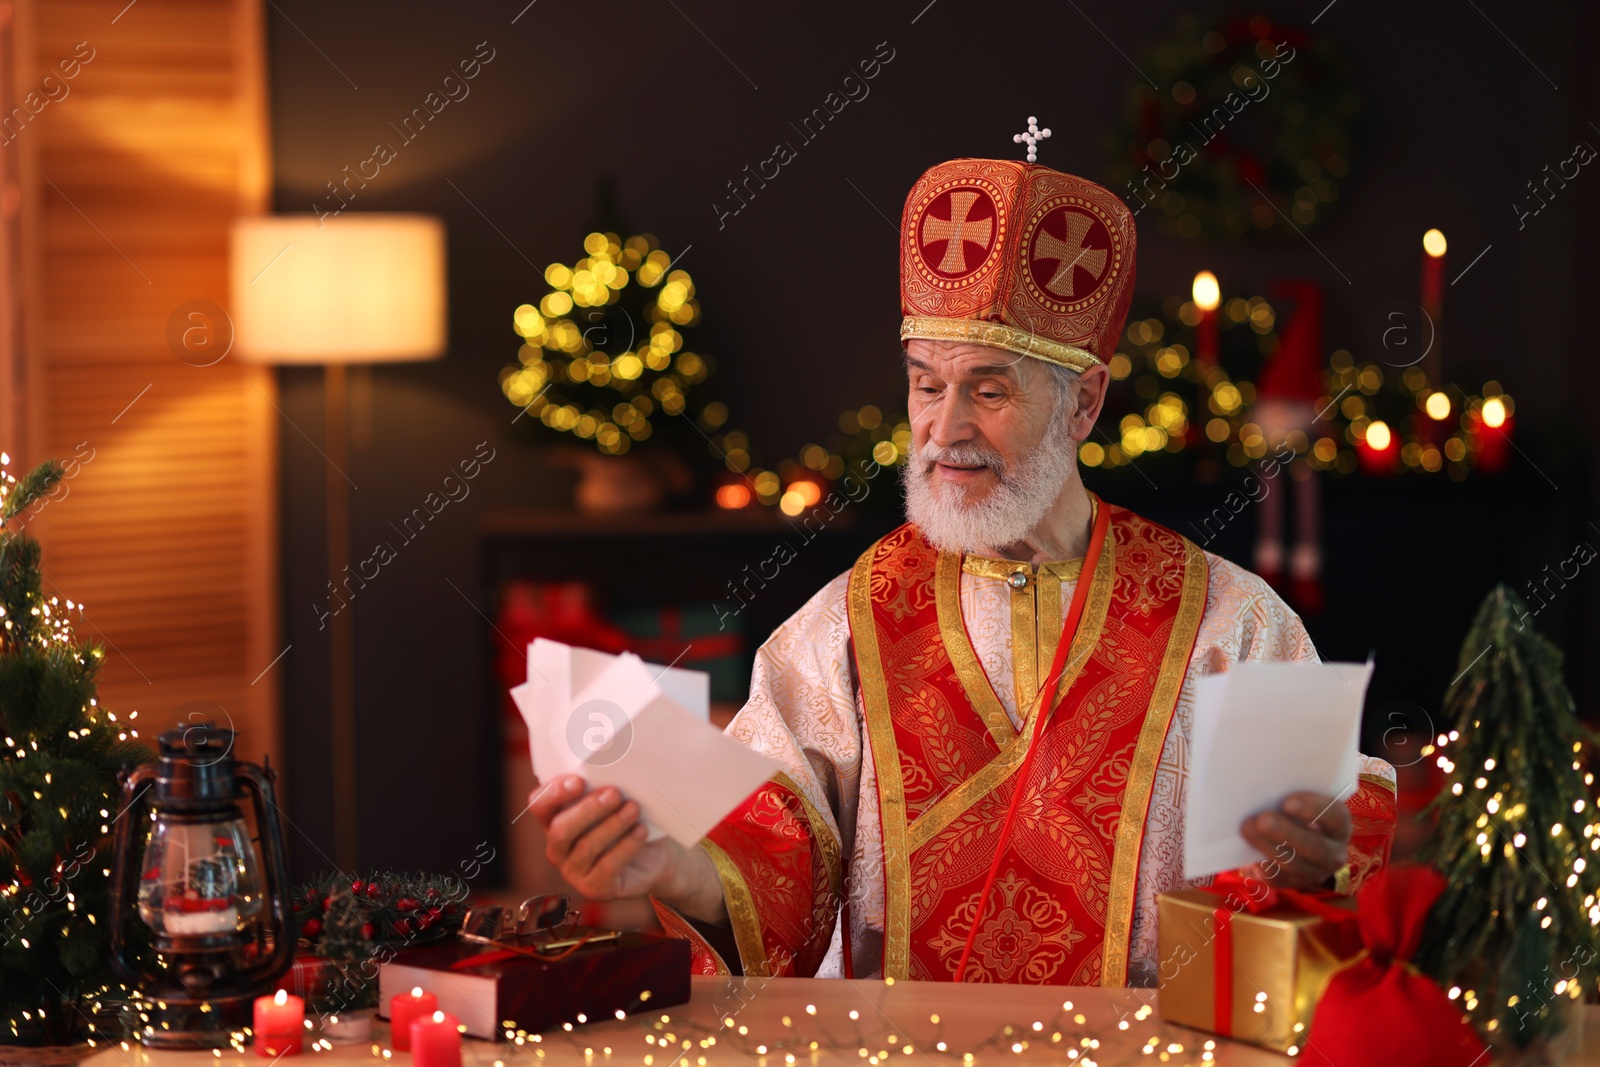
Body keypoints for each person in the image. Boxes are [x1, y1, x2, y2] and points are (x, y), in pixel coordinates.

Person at [527, 159, 1397, 985]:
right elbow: (775, 862)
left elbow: (1326, 868)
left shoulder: (1230, 621)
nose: (945, 430)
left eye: (989, 389)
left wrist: (1320, 866)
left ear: (1085, 402)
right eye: (925, 385)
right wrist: (675, 867)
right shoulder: (843, 625)